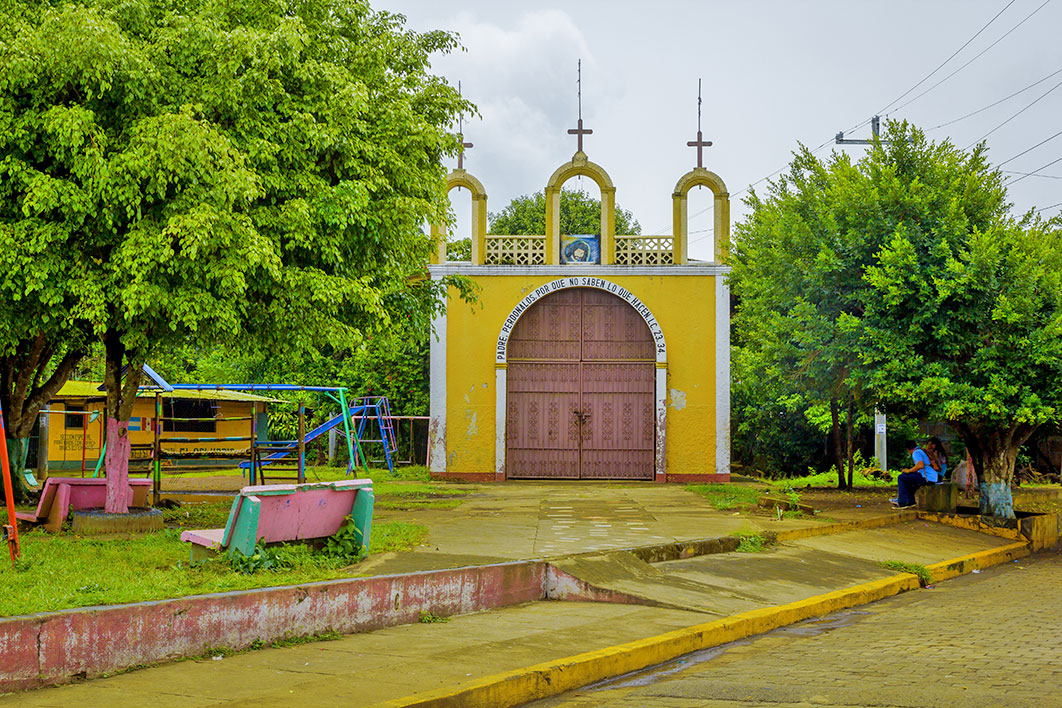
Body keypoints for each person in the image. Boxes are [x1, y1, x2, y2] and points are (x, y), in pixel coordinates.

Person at [891, 439, 933, 508]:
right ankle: (909, 501)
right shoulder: (922, 451)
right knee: (909, 479)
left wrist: (909, 471)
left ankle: (903, 501)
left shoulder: (916, 453)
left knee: (902, 477)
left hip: (927, 477)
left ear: (908, 449)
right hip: (931, 476)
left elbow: (920, 465)